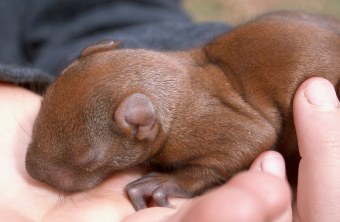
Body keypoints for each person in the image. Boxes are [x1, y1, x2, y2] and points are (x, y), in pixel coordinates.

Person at [0, 0, 339, 221]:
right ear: (98, 53)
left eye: (86, 158)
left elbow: (253, 135)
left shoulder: (194, 128)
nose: (36, 168)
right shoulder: (160, 86)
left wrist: (183, 180)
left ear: (139, 124)